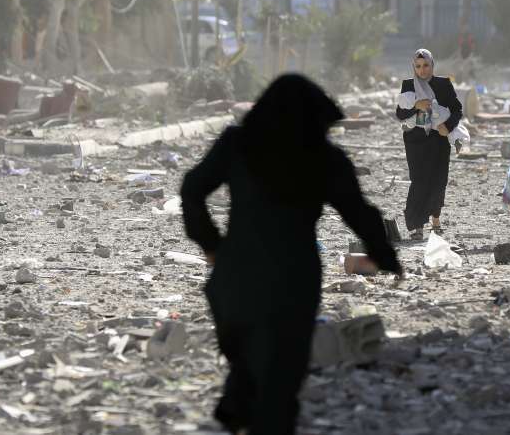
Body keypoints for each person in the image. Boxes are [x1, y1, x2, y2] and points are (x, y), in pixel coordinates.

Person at [179, 75, 402, 435]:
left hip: (237, 273)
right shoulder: (325, 158)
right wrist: (384, 255)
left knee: (248, 356)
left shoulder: (237, 144)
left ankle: (238, 410)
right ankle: (250, 415)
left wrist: (210, 244)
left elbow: (192, 189)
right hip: (293, 277)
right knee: (281, 373)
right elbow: (358, 212)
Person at [395, 49, 463, 240]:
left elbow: (457, 110)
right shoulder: (408, 85)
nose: (422, 70)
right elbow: (400, 114)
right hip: (415, 141)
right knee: (419, 181)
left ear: (432, 65)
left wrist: (447, 126)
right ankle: (416, 226)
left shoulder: (443, 84)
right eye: (418, 66)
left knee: (439, 180)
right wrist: (416, 106)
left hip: (439, 140)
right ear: (413, 68)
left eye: (426, 65)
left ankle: (435, 220)